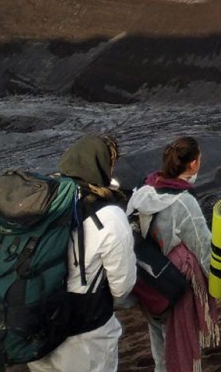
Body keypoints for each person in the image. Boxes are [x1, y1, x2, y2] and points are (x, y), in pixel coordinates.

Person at [30, 135, 136, 372]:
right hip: (85, 335)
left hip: (35, 325)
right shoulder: (109, 216)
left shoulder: (39, 200)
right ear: (102, 165)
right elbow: (122, 286)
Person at [126, 137, 217, 372]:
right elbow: (203, 247)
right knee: (177, 347)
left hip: (146, 281)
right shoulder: (184, 203)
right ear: (194, 163)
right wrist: (217, 286)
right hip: (173, 286)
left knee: (160, 347)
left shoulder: (142, 191)